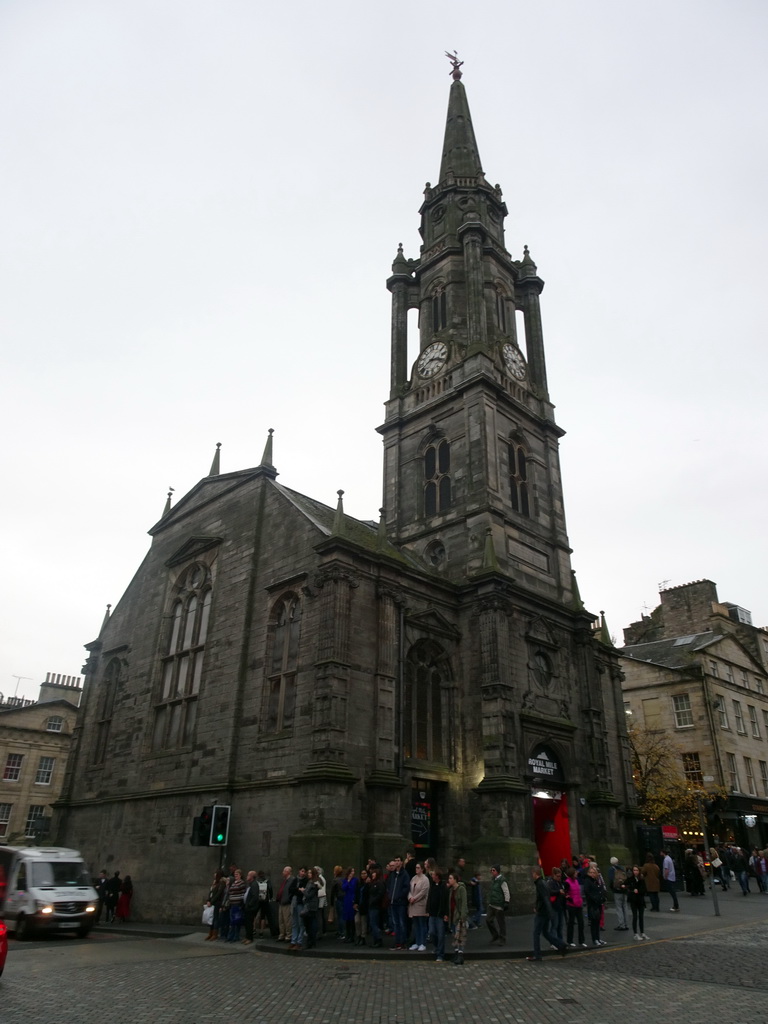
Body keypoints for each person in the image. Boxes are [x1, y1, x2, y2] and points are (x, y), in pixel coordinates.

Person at [526, 866, 568, 961]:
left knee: (536, 933)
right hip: (545, 911)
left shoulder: (540, 883)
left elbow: (545, 898)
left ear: (535, 874)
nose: (532, 875)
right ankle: (561, 945)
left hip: (542, 912)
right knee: (545, 932)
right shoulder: (543, 882)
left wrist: (545, 911)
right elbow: (547, 895)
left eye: (532, 873)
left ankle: (537, 955)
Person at [386, 856, 410, 950]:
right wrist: (390, 895)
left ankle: (402, 942)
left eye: (398, 861)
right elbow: (390, 885)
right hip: (393, 902)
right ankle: (397, 942)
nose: (396, 862)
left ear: (401, 862)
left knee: (401, 922)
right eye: (395, 860)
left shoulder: (404, 874)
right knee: (395, 923)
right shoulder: (393, 874)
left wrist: (399, 896)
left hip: (401, 902)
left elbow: (406, 887)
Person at [426, 867, 449, 963]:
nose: (432, 876)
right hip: (432, 913)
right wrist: (427, 909)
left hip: (440, 914)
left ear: (437, 876)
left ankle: (440, 954)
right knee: (432, 932)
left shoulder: (443, 886)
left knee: (440, 935)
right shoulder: (432, 885)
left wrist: (446, 914)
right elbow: (430, 898)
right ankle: (436, 947)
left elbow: (445, 901)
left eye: (433, 875)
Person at [447, 871, 468, 965]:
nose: (449, 880)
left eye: (451, 878)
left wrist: (462, 916)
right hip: (452, 915)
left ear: (455, 880)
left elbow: (464, 903)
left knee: (460, 936)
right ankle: (456, 952)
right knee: (454, 935)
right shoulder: (451, 890)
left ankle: (460, 954)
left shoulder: (461, 889)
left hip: (458, 915)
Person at [407, 862, 429, 951]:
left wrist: (414, 898)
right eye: (416, 867)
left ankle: (422, 943)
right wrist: (410, 897)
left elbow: (423, 892)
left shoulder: (425, 879)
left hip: (421, 905)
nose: (416, 869)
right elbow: (409, 890)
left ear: (422, 869)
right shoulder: (413, 878)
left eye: (418, 867)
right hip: (413, 904)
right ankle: (417, 942)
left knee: (422, 924)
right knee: (415, 925)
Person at [583, 865, 607, 946]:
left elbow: (600, 890)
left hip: (598, 903)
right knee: (593, 923)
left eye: (594, 872)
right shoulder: (587, 881)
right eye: (591, 872)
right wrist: (595, 898)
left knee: (597, 922)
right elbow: (587, 892)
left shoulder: (595, 881)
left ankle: (598, 938)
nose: (592, 874)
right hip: (592, 904)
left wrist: (601, 897)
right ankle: (595, 939)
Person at [486, 865, 510, 945]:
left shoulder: (502, 880)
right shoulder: (494, 880)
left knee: (501, 923)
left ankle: (502, 938)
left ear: (497, 871)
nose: (492, 872)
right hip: (492, 904)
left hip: (499, 904)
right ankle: (495, 935)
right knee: (488, 920)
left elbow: (506, 891)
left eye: (493, 870)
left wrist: (506, 902)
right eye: (491, 870)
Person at [563, 867, 586, 947]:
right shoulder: (567, 882)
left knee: (581, 923)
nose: (577, 874)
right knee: (571, 923)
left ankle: (581, 940)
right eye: (575, 873)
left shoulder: (576, 881)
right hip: (571, 906)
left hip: (579, 905)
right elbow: (565, 894)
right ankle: (570, 940)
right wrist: (571, 900)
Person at [627, 865, 649, 941]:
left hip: (640, 900)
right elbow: (628, 887)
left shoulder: (641, 879)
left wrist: (639, 891)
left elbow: (644, 890)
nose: (635, 872)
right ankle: (635, 933)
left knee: (641, 917)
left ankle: (642, 932)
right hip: (633, 900)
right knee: (635, 916)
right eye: (634, 870)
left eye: (636, 870)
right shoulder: (630, 879)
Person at [300, 867, 320, 949]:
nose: (308, 874)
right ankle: (311, 941)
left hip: (311, 905)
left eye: (310, 873)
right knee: (308, 924)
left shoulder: (314, 884)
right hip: (309, 904)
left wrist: (303, 891)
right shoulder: (309, 882)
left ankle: (311, 941)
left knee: (310, 924)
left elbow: (309, 895)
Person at [608, 857, 629, 930]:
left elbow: (611, 879)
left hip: (617, 890)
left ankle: (621, 924)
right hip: (624, 890)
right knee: (625, 907)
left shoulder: (611, 869)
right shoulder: (622, 868)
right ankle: (626, 924)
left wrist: (612, 888)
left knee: (619, 908)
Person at [226, 867, 247, 942]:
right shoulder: (233, 883)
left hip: (237, 904)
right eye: (235, 874)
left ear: (240, 875)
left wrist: (241, 903)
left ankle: (236, 936)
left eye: (237, 874)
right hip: (232, 904)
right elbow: (230, 892)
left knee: (236, 920)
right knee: (232, 922)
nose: (236, 876)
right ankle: (230, 936)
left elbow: (243, 894)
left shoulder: (241, 883)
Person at [546, 867, 566, 943]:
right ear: (553, 875)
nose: (559, 878)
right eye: (557, 876)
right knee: (554, 925)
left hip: (560, 906)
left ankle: (560, 941)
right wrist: (558, 891)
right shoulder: (550, 882)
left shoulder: (559, 882)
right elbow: (549, 892)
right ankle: (553, 942)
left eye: (560, 876)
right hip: (554, 906)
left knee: (560, 926)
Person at [290, 866, 308, 949]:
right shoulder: (295, 879)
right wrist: (298, 889)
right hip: (294, 902)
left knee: (301, 922)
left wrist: (299, 891)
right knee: (294, 922)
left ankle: (299, 941)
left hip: (301, 902)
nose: (302, 873)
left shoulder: (306, 881)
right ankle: (293, 940)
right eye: (301, 871)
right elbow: (291, 889)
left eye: (304, 871)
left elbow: (304, 892)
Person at [367, 866, 386, 947]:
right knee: (372, 923)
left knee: (374, 923)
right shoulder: (372, 883)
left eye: (374, 873)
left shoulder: (379, 883)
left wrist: (373, 900)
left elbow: (380, 894)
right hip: (371, 905)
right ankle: (375, 940)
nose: (372, 875)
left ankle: (378, 939)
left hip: (376, 906)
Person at [205, 869, 226, 941]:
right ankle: (210, 933)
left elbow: (218, 893)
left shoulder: (221, 883)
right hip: (212, 902)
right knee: (211, 918)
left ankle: (215, 933)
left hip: (217, 903)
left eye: (216, 873)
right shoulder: (214, 883)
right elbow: (211, 892)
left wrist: (212, 901)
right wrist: (208, 900)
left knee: (215, 918)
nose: (214, 874)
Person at [276, 866, 294, 942]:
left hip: (287, 902)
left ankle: (288, 935)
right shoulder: (285, 881)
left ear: (288, 872)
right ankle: (282, 934)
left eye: (284, 871)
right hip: (281, 902)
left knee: (287, 920)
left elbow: (291, 892)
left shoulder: (292, 880)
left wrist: (288, 899)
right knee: (281, 920)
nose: (283, 872)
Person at [242, 870, 260, 944]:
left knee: (249, 923)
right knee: (247, 923)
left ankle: (250, 938)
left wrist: (249, 904)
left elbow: (255, 896)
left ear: (252, 877)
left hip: (251, 907)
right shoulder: (250, 884)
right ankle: (247, 936)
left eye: (248, 875)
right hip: (247, 906)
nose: (247, 876)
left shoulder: (254, 884)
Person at [341, 866, 358, 943]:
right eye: (351, 871)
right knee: (347, 919)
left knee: (352, 919)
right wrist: (348, 880)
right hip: (347, 899)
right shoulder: (345, 880)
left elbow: (354, 888)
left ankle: (352, 936)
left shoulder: (355, 880)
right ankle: (347, 935)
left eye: (353, 871)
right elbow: (344, 888)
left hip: (352, 898)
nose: (353, 873)